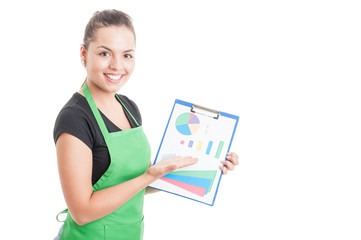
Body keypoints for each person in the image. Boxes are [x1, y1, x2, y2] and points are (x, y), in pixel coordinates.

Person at [53, 9, 239, 240]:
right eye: (104, 53)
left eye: (127, 55)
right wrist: (149, 176)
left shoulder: (129, 108)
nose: (117, 65)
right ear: (84, 53)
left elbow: (139, 185)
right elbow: (81, 212)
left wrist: (208, 165)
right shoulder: (75, 118)